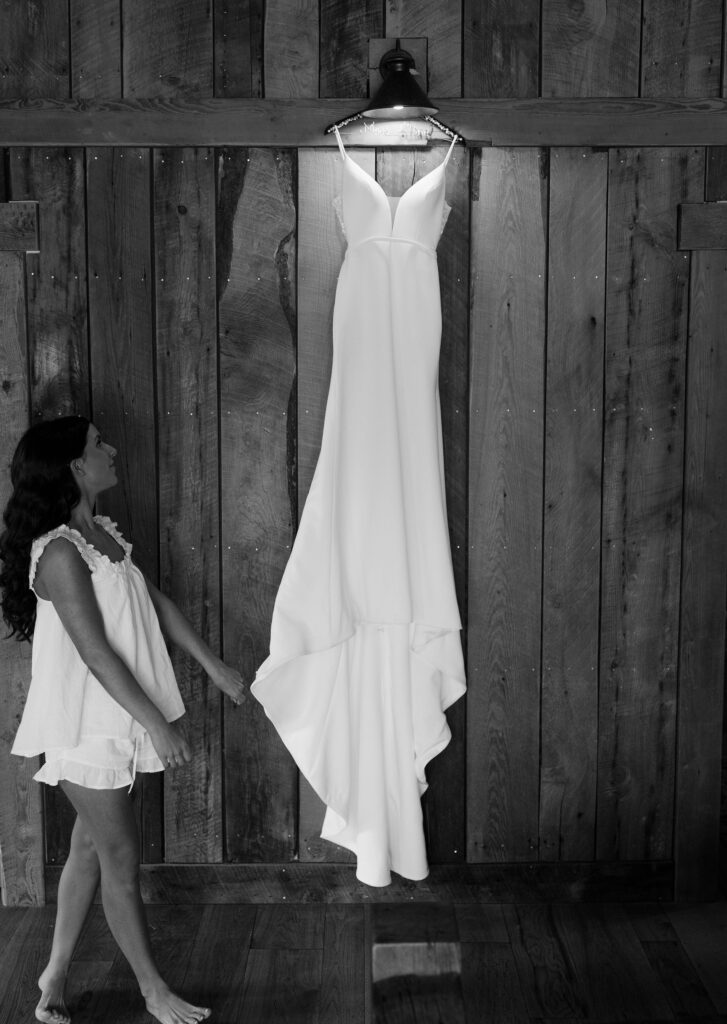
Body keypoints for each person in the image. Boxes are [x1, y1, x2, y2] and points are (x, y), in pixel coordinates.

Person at [0, 415, 246, 1024]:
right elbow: (95, 652)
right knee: (120, 862)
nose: (111, 449)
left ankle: (53, 973)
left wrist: (213, 666)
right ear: (76, 467)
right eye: (97, 444)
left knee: (89, 846)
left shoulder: (100, 532)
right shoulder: (58, 551)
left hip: (119, 718)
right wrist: (158, 725)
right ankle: (152, 991)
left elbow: (150, 600)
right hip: (88, 730)